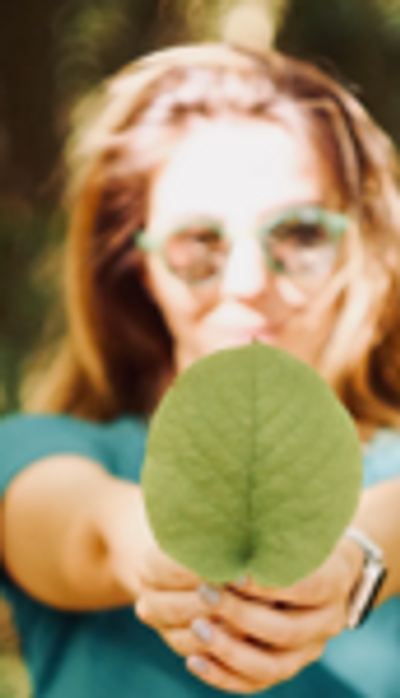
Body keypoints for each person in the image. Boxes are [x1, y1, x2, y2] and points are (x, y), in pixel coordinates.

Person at [1, 42, 400, 698]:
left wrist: (355, 558)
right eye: (198, 242)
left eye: (299, 233)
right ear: (139, 269)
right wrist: (161, 552)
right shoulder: (45, 449)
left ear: (356, 245)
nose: (248, 282)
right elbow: (87, 531)